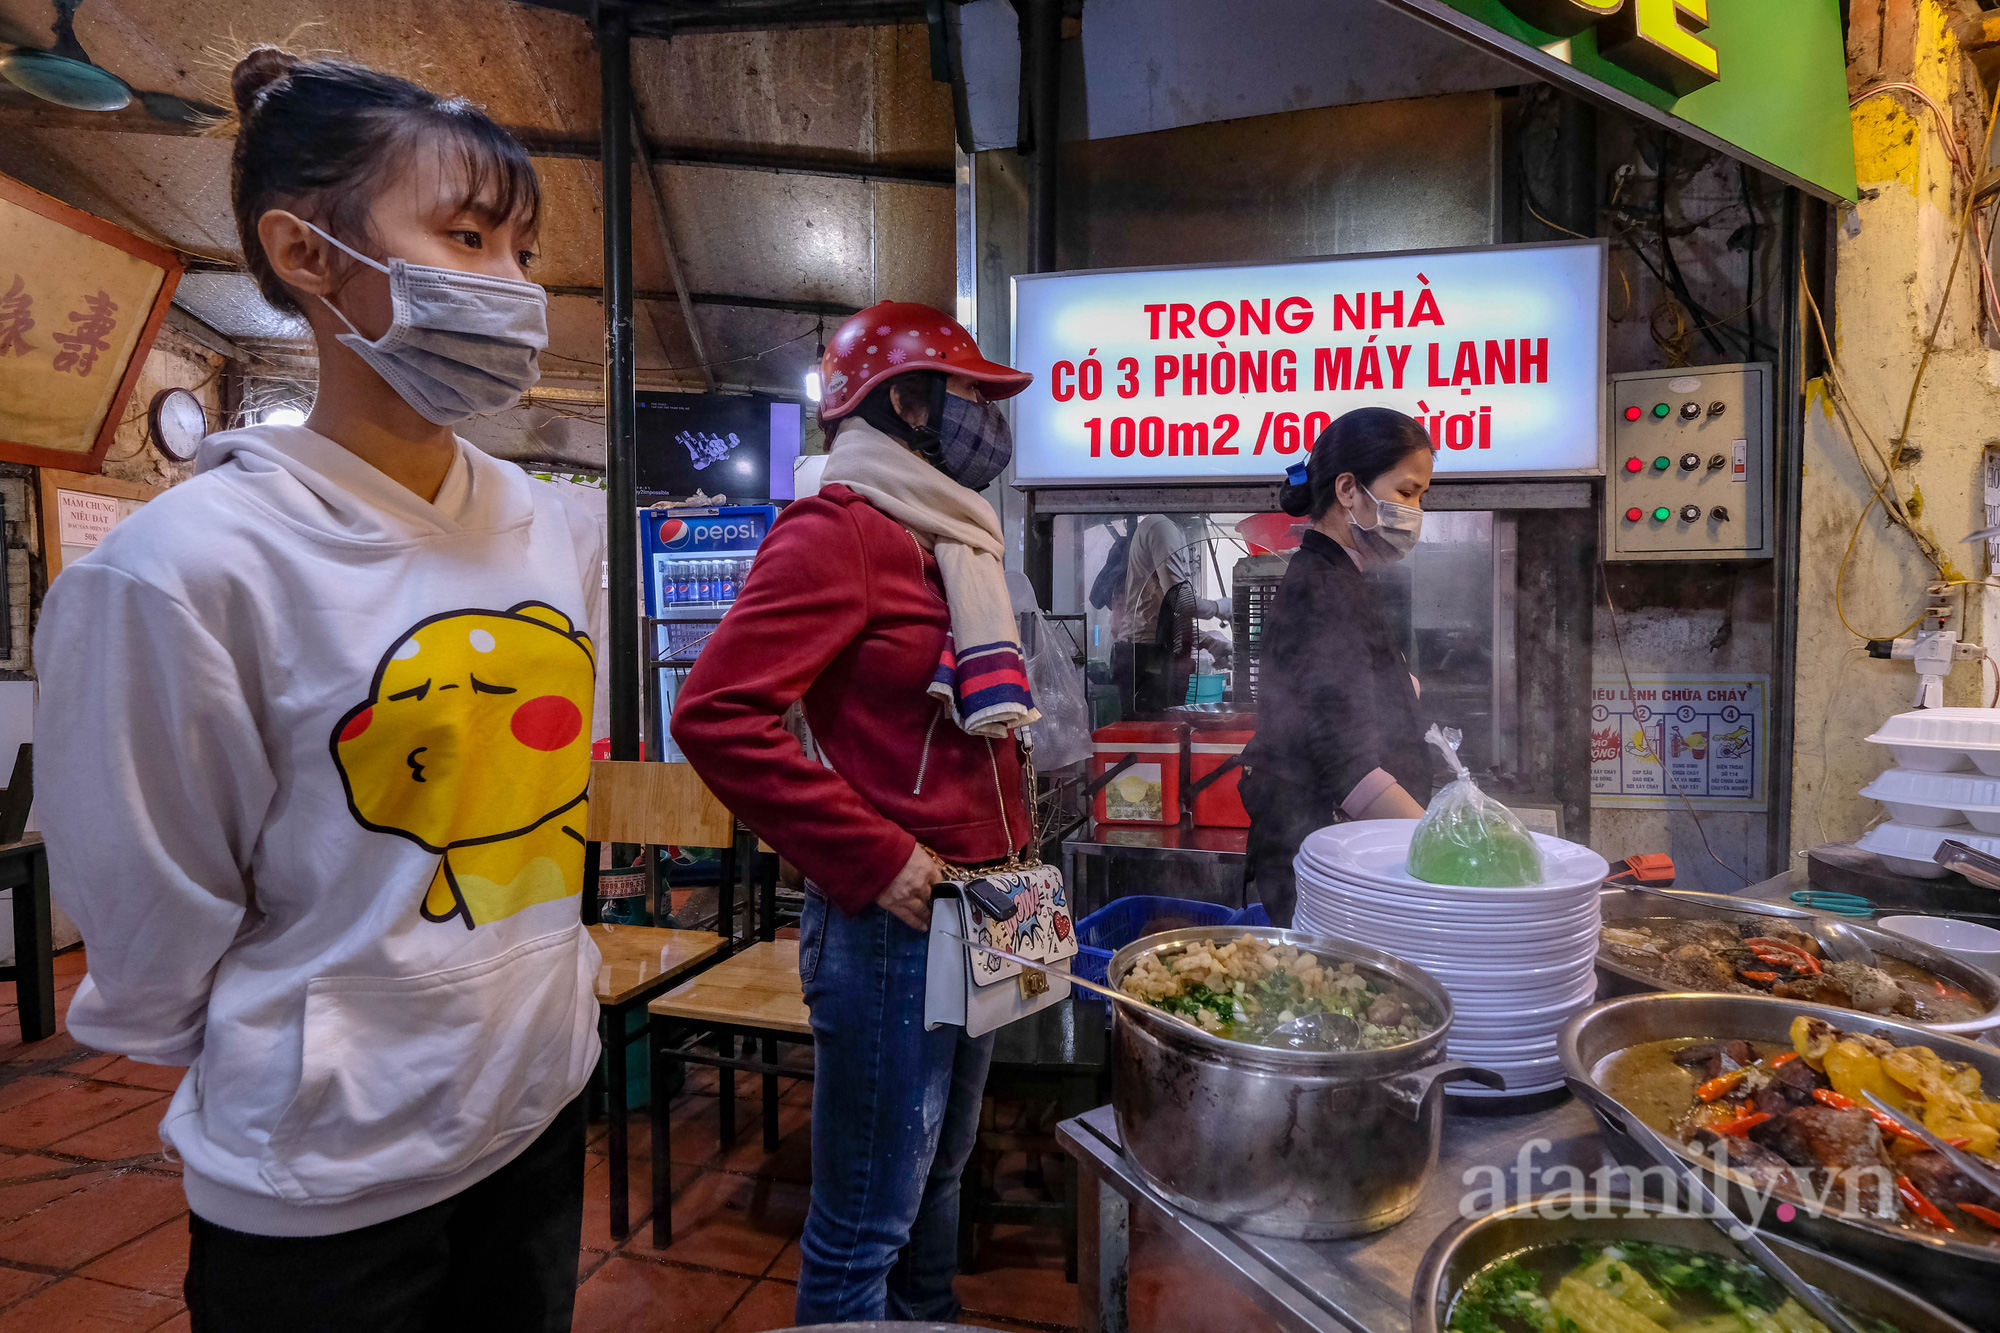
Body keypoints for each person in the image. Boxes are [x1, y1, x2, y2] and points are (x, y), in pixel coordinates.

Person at [34, 49, 602, 1332]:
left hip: (537, 1101)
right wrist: (331, 1040)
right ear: (306, 256)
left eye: (522, 254)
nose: (514, 291)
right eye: (466, 236)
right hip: (326, 1179)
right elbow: (150, 914)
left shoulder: (540, 524)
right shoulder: (178, 573)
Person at [671, 301, 1035, 1324]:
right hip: (895, 926)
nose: (984, 423)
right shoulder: (839, 531)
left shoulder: (947, 536)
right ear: (905, 402)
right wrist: (876, 857)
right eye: (968, 396)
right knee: (865, 1218)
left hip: (985, 907)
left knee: (939, 1181)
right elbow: (716, 713)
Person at [1239, 408, 1436, 925]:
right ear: (1348, 489)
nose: (1415, 511)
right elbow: (1347, 766)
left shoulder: (1341, 578)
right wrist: (1442, 854)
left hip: (1337, 847)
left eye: (1421, 497)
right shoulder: (1323, 588)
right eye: (1407, 492)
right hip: (1321, 857)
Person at [1114, 513, 1232, 713]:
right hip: (1147, 655)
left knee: (1168, 730)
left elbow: (1165, 614)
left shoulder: (1168, 530)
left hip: (1154, 649)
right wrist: (1219, 607)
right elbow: (1180, 601)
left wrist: (1209, 643)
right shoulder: (1162, 527)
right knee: (1155, 733)